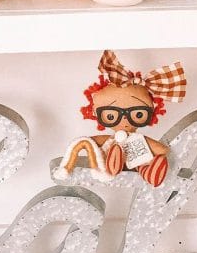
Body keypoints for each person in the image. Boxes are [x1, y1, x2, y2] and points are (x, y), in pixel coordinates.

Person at [56, 50, 187, 188]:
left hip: (137, 162)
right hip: (110, 160)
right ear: (96, 114)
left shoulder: (139, 141)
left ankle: (150, 173)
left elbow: (162, 150)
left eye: (137, 114)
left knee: (143, 163)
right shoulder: (110, 140)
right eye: (111, 116)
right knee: (114, 153)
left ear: (151, 114)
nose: (124, 119)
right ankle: (114, 162)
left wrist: (160, 153)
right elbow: (91, 141)